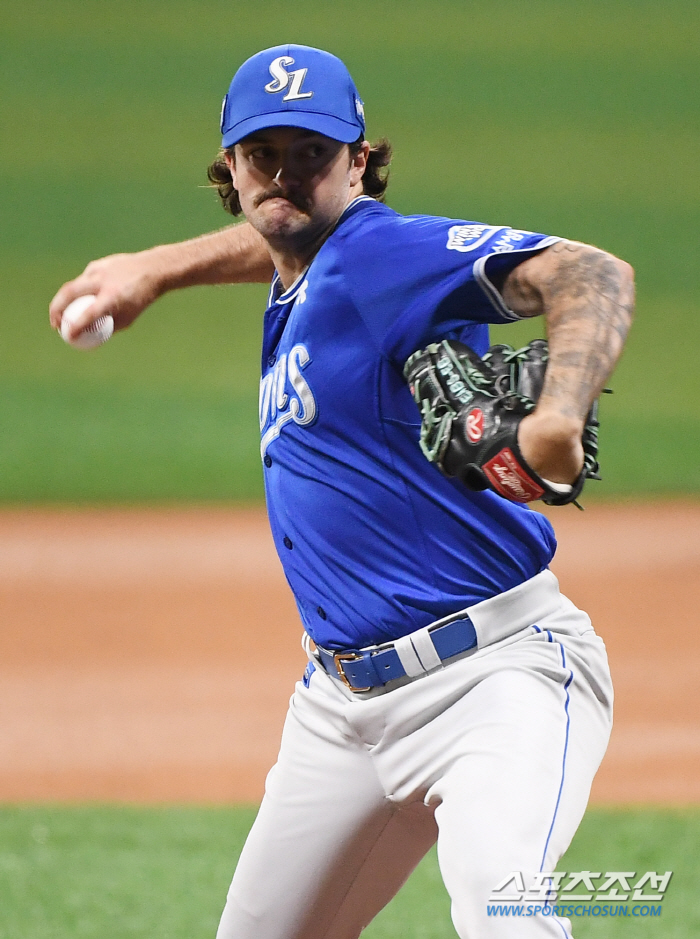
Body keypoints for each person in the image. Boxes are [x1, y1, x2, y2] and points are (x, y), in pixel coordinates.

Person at [51, 44, 634, 939]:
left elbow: (593, 272)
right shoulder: (311, 272)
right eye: (263, 156)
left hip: (497, 679)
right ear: (232, 170)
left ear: (359, 164)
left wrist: (557, 411)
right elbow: (282, 232)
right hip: (339, 711)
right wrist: (158, 267)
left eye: (314, 154)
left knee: (504, 908)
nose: (286, 175)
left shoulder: (382, 251)